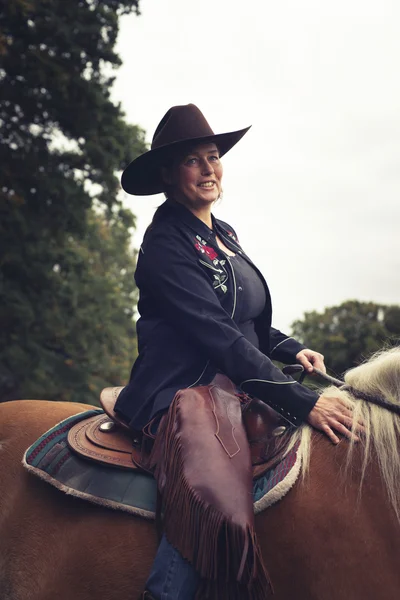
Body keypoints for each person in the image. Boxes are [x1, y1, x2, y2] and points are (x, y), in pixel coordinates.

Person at [115, 104, 357, 600]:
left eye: (213, 157)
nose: (208, 169)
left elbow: (243, 318)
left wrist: (292, 347)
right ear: (167, 174)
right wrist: (304, 402)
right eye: (193, 161)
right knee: (212, 493)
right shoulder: (165, 244)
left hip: (234, 384)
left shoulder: (223, 234)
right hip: (184, 390)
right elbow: (214, 333)